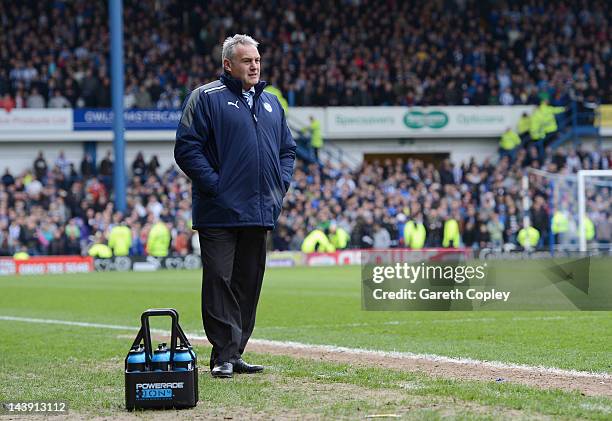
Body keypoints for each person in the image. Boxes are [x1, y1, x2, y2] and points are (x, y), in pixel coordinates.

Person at [174, 34, 296, 378]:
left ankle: (234, 352)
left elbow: (287, 150)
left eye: (257, 60)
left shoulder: (272, 103)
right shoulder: (205, 97)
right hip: (218, 211)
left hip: (259, 211)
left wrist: (279, 185)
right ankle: (224, 354)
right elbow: (186, 149)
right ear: (228, 64)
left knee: (248, 283)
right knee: (219, 279)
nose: (254, 66)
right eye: (247, 61)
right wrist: (217, 187)